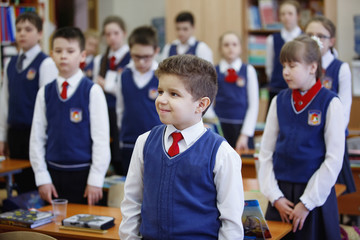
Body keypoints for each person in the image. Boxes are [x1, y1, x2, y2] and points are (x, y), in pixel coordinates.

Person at [119, 55, 244, 239]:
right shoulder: (144, 142)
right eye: (160, 91)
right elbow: (132, 203)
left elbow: (231, 224)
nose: (161, 99)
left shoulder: (222, 154)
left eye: (174, 94)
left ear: (201, 104)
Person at [258, 35, 345, 239]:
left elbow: (333, 159)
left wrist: (307, 203)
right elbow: (265, 154)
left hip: (314, 196)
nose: (285, 72)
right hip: (281, 197)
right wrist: (275, 197)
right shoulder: (279, 100)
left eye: (292, 65)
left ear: (312, 67)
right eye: (283, 66)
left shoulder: (330, 103)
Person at [29, 27, 110, 205]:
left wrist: (96, 180)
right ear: (51, 54)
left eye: (70, 51)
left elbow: (101, 140)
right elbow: (36, 138)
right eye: (58, 51)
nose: (63, 56)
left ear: (82, 56)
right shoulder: (45, 92)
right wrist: (42, 177)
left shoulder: (92, 91)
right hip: (52, 174)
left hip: (84, 175)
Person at [0, 11, 58, 194]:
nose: (22, 34)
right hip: (15, 133)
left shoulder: (45, 63)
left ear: (40, 34)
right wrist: (2, 136)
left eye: (28, 29)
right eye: (18, 30)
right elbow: (4, 100)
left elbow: (48, 106)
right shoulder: (11, 63)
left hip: (35, 132)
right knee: (21, 186)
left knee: (35, 183)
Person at [305, 15, 356, 194]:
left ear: (332, 41)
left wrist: (333, 135)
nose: (315, 40)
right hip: (309, 139)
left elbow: (345, 108)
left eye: (320, 36)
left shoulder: (340, 68)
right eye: (310, 35)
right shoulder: (302, 66)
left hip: (331, 139)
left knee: (333, 190)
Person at [114, 26, 162, 175]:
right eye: (136, 56)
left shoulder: (162, 75)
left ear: (156, 51)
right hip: (129, 141)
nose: (141, 62)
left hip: (157, 141)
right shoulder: (124, 75)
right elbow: (120, 109)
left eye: (146, 57)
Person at [92, 16, 131, 173]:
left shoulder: (131, 57)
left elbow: (129, 88)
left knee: (119, 154)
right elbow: (96, 86)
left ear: (124, 33)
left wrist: (108, 86)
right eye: (108, 34)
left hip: (122, 111)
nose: (112, 38)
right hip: (104, 110)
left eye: (116, 33)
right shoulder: (100, 60)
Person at [214, 32, 259, 151]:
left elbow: (253, 105)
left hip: (242, 128)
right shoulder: (214, 71)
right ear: (220, 49)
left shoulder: (248, 70)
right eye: (226, 45)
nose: (230, 48)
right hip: (220, 128)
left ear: (240, 48)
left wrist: (245, 135)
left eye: (234, 44)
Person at [266, 0, 302, 105]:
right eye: (283, 14)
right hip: (277, 88)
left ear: (298, 16)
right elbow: (269, 66)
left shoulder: (305, 39)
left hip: (299, 89)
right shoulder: (272, 39)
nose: (286, 17)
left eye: (290, 13)